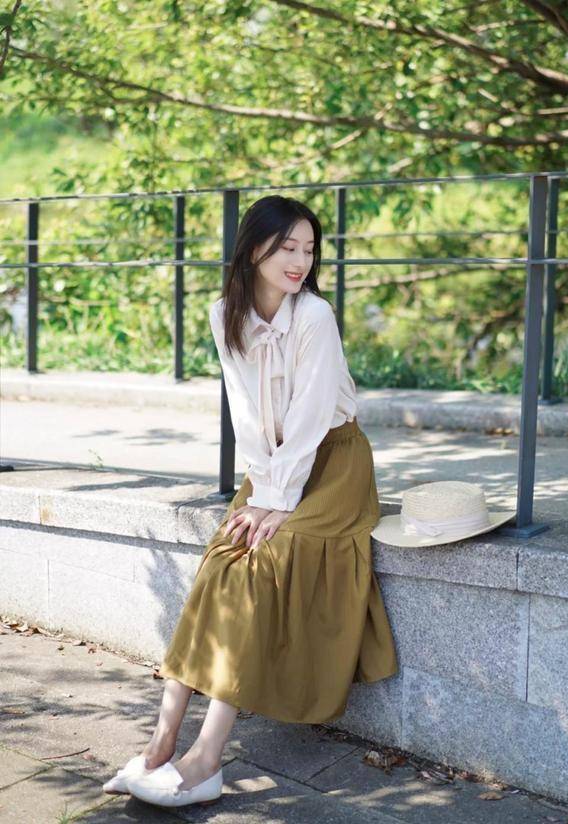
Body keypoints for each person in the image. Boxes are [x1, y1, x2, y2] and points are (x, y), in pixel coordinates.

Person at [103, 194, 399, 808]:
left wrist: (280, 502)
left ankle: (206, 758)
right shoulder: (225, 313)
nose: (300, 260)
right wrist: (264, 490)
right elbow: (245, 410)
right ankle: (159, 745)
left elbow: (312, 416)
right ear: (253, 248)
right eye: (288, 246)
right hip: (274, 464)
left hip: (335, 463)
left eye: (309, 249)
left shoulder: (314, 315)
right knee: (222, 560)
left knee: (262, 563)